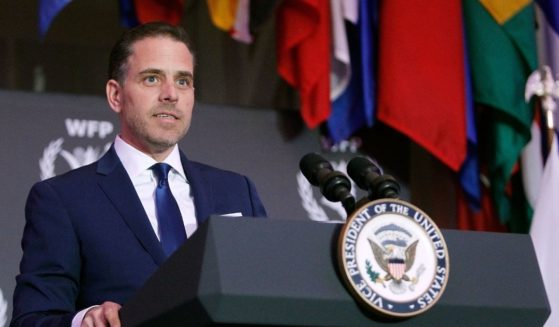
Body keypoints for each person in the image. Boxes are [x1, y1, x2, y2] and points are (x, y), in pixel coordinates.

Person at [11, 22, 267, 327]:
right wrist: (84, 321)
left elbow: (269, 297)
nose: (171, 94)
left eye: (183, 81)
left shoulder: (237, 191)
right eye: (152, 78)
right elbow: (31, 320)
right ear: (115, 95)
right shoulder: (63, 200)